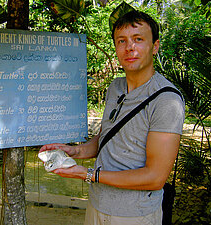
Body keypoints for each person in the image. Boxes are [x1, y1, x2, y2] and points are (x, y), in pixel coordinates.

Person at [39, 10, 185, 225]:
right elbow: (107, 138)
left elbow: (155, 178)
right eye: (121, 41)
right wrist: (75, 151)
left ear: (155, 46)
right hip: (97, 203)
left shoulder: (166, 101)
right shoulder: (115, 87)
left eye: (138, 39)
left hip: (134, 214)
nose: (130, 48)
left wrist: (88, 174)